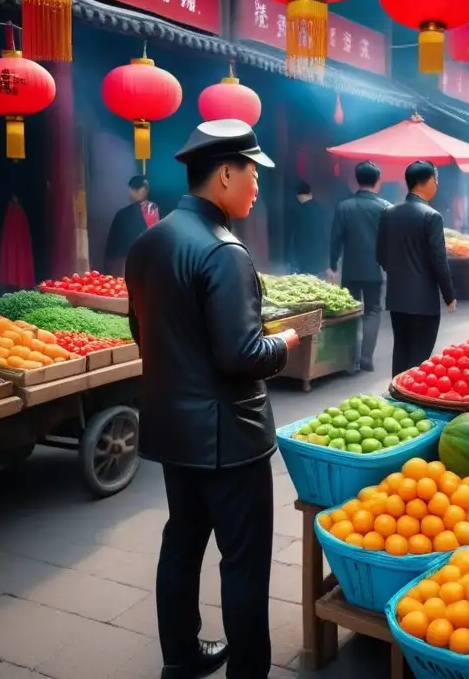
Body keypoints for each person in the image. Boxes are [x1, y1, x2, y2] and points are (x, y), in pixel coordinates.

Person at [125, 120, 299, 679]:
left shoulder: (150, 241)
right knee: (244, 563)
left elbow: (142, 331)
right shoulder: (225, 251)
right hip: (230, 437)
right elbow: (242, 355)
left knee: (182, 539)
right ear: (225, 173)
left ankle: (179, 655)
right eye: (252, 174)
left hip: (173, 427)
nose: (256, 187)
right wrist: (288, 340)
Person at [377, 161, 456, 376]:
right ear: (428, 181)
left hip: (397, 298)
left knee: (401, 350)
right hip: (423, 301)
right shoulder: (431, 216)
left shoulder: (389, 212)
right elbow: (439, 260)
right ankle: (411, 400)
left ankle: (396, 396)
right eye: (436, 179)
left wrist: (398, 273)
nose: (437, 184)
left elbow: (380, 255)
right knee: (420, 357)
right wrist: (449, 295)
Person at [327, 161, 390, 372]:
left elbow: (335, 238)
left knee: (351, 312)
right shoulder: (385, 208)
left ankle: (349, 360)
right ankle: (366, 359)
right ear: (377, 181)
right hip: (376, 269)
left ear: (356, 179)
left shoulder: (344, 207)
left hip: (351, 269)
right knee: (372, 311)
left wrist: (332, 264)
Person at [106, 175, 160, 277]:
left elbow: (113, 246)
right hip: (151, 264)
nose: (130, 193)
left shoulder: (123, 214)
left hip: (127, 265)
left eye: (133, 189)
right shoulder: (158, 211)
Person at [288, 181, 328, 276]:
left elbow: (297, 238)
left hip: (304, 261)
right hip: (320, 260)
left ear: (297, 195)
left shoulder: (299, 213)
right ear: (310, 192)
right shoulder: (321, 209)